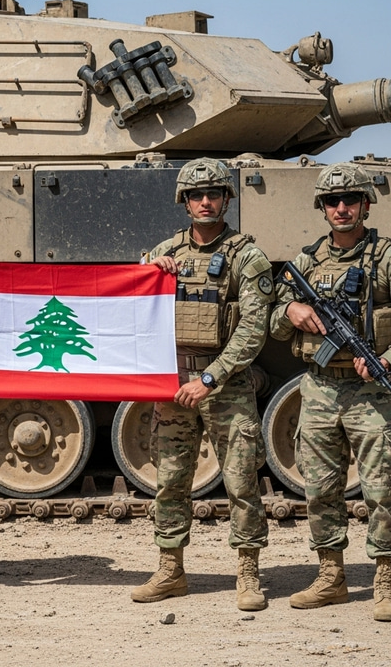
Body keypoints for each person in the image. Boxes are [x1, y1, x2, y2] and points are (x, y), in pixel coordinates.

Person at [270, 162, 391, 622]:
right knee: (321, 489)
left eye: (350, 201)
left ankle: (385, 580)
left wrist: (388, 361)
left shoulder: (390, 260)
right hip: (319, 389)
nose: (341, 208)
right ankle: (332, 576)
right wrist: (292, 312)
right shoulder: (305, 263)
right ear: (321, 208)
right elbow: (271, 322)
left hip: (370, 393)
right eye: (331, 202)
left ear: (365, 204)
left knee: (382, 489)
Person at [132, 158, 272, 611]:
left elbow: (253, 329)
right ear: (185, 202)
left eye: (214, 193)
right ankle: (171, 570)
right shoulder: (165, 252)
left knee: (240, 481)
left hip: (223, 384)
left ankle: (248, 574)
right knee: (170, 480)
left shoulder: (246, 257)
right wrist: (147, 270)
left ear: (227, 199)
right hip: (174, 386)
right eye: (197, 194)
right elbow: (131, 302)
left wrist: (210, 379)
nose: (205, 201)